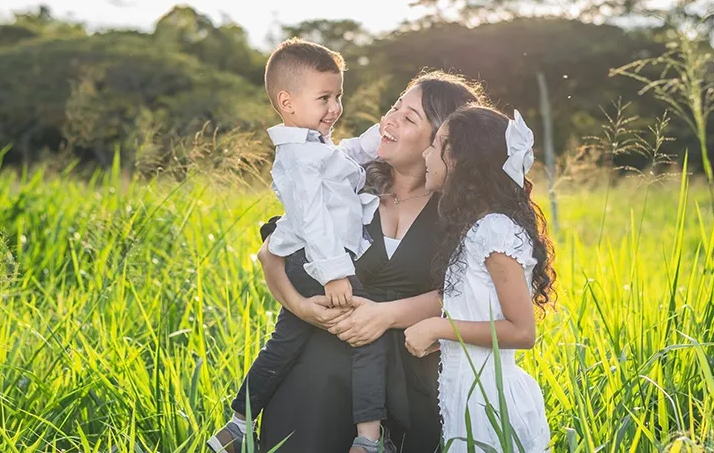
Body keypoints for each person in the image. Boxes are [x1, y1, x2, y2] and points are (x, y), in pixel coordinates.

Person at [255, 70, 484, 452]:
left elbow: (469, 295)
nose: (388, 121)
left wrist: (386, 315)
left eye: (409, 118)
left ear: (443, 140)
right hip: (314, 379)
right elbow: (271, 257)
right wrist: (302, 308)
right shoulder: (346, 181)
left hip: (408, 385)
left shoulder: (460, 212)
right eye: (395, 106)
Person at [207, 37, 388, 453]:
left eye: (338, 96)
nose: (335, 108)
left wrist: (387, 127)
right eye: (324, 98)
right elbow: (312, 219)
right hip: (317, 263)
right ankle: (368, 438)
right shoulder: (300, 158)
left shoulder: (314, 146)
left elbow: (352, 153)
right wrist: (335, 272)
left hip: (303, 263)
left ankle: (238, 425)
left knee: (285, 341)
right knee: (367, 337)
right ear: (287, 102)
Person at [404, 106, 555, 452]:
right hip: (467, 398)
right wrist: (446, 339)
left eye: (437, 144)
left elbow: (522, 331)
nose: (426, 154)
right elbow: (481, 315)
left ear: (461, 160)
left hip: (492, 404)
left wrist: (439, 327)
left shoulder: (494, 229)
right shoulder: (472, 229)